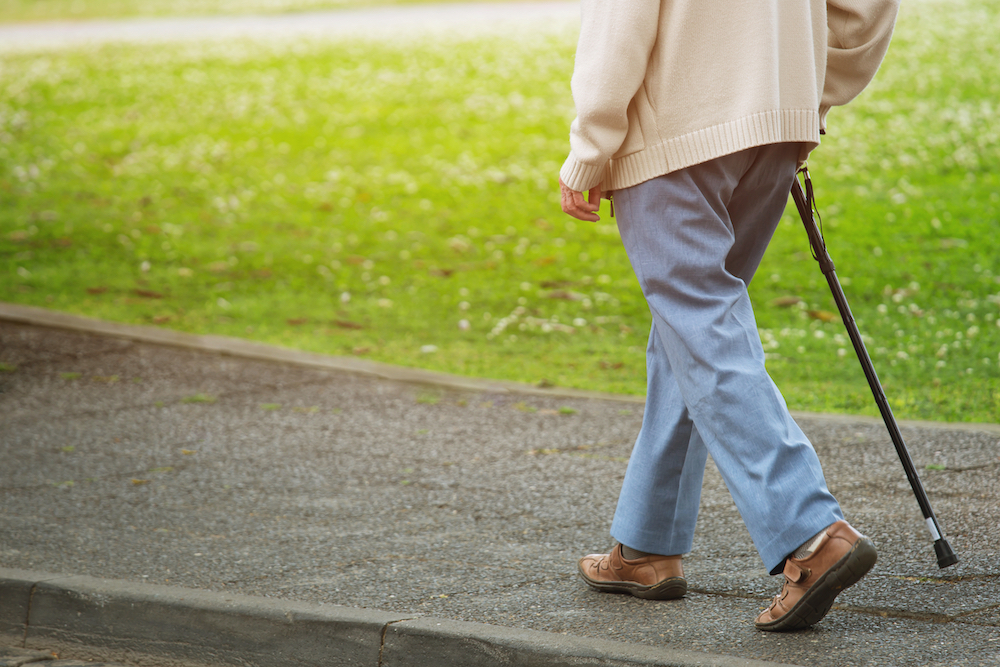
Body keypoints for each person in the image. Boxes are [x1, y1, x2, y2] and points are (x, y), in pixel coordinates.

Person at [558, 0, 900, 631]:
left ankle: (812, 534)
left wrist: (591, 146)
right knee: (691, 332)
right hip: (777, 126)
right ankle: (646, 546)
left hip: (675, 129)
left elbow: (620, 18)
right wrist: (799, 91)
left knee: (701, 327)